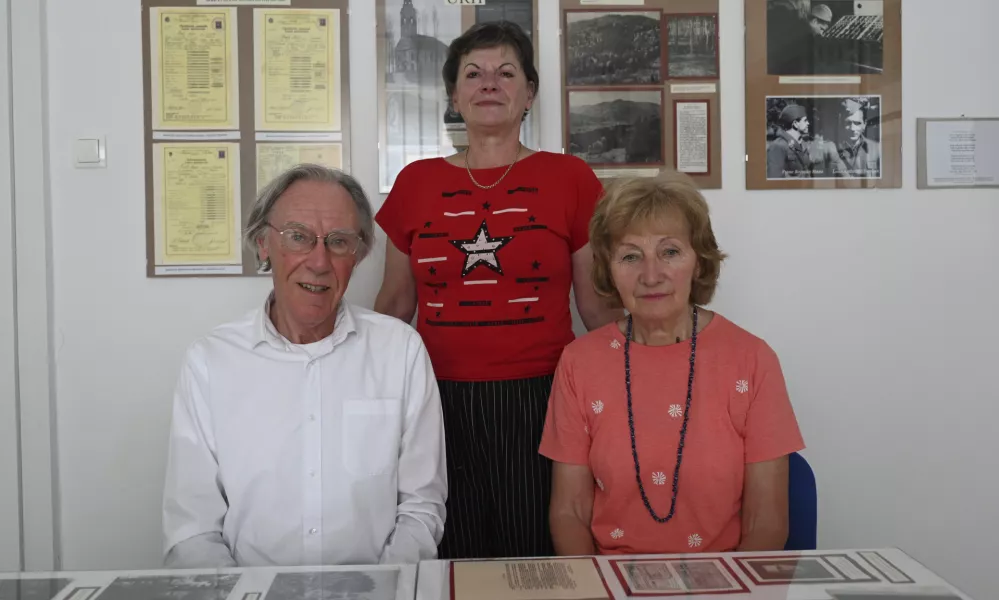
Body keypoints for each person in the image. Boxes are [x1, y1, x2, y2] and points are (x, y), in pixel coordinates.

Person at [374, 21, 621, 559]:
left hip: (544, 398)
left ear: (529, 92)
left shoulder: (571, 178)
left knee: (533, 550)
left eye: (506, 72)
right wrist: (373, 397)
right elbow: (394, 304)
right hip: (432, 399)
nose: (490, 83)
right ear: (454, 96)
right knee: (444, 548)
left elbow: (596, 305)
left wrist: (641, 379)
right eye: (473, 73)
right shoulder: (415, 183)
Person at [162, 165, 447, 567]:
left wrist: (376, 592)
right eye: (298, 237)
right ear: (263, 244)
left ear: (359, 254)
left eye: (339, 242)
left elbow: (421, 509)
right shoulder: (210, 361)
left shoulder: (400, 352)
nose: (318, 261)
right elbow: (193, 529)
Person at [539, 171, 805, 555]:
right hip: (611, 585)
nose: (651, 275)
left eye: (670, 252)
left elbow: (766, 522)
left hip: (725, 585)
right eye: (630, 256)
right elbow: (569, 512)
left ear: (699, 262)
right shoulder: (579, 362)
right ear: (608, 270)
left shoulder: (751, 359)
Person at [837, 98, 881, 177]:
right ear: (841, 123)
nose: (853, 128)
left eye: (857, 123)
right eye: (848, 123)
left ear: (864, 124)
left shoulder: (877, 149)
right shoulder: (832, 149)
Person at [767, 104, 813, 178]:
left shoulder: (803, 144)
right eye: (805, 120)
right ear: (795, 124)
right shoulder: (778, 146)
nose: (808, 123)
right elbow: (774, 180)